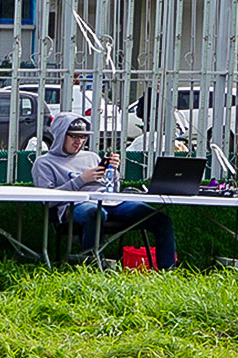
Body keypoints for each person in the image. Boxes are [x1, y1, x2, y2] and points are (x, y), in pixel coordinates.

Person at [31, 112, 177, 270]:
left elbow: (113, 189)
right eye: (73, 136)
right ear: (60, 135)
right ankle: (95, 266)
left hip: (110, 202)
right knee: (95, 212)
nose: (78, 142)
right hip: (75, 206)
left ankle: (167, 270)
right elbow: (48, 199)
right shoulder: (44, 163)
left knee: (160, 219)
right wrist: (81, 180)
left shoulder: (91, 157)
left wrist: (112, 171)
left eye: (82, 137)